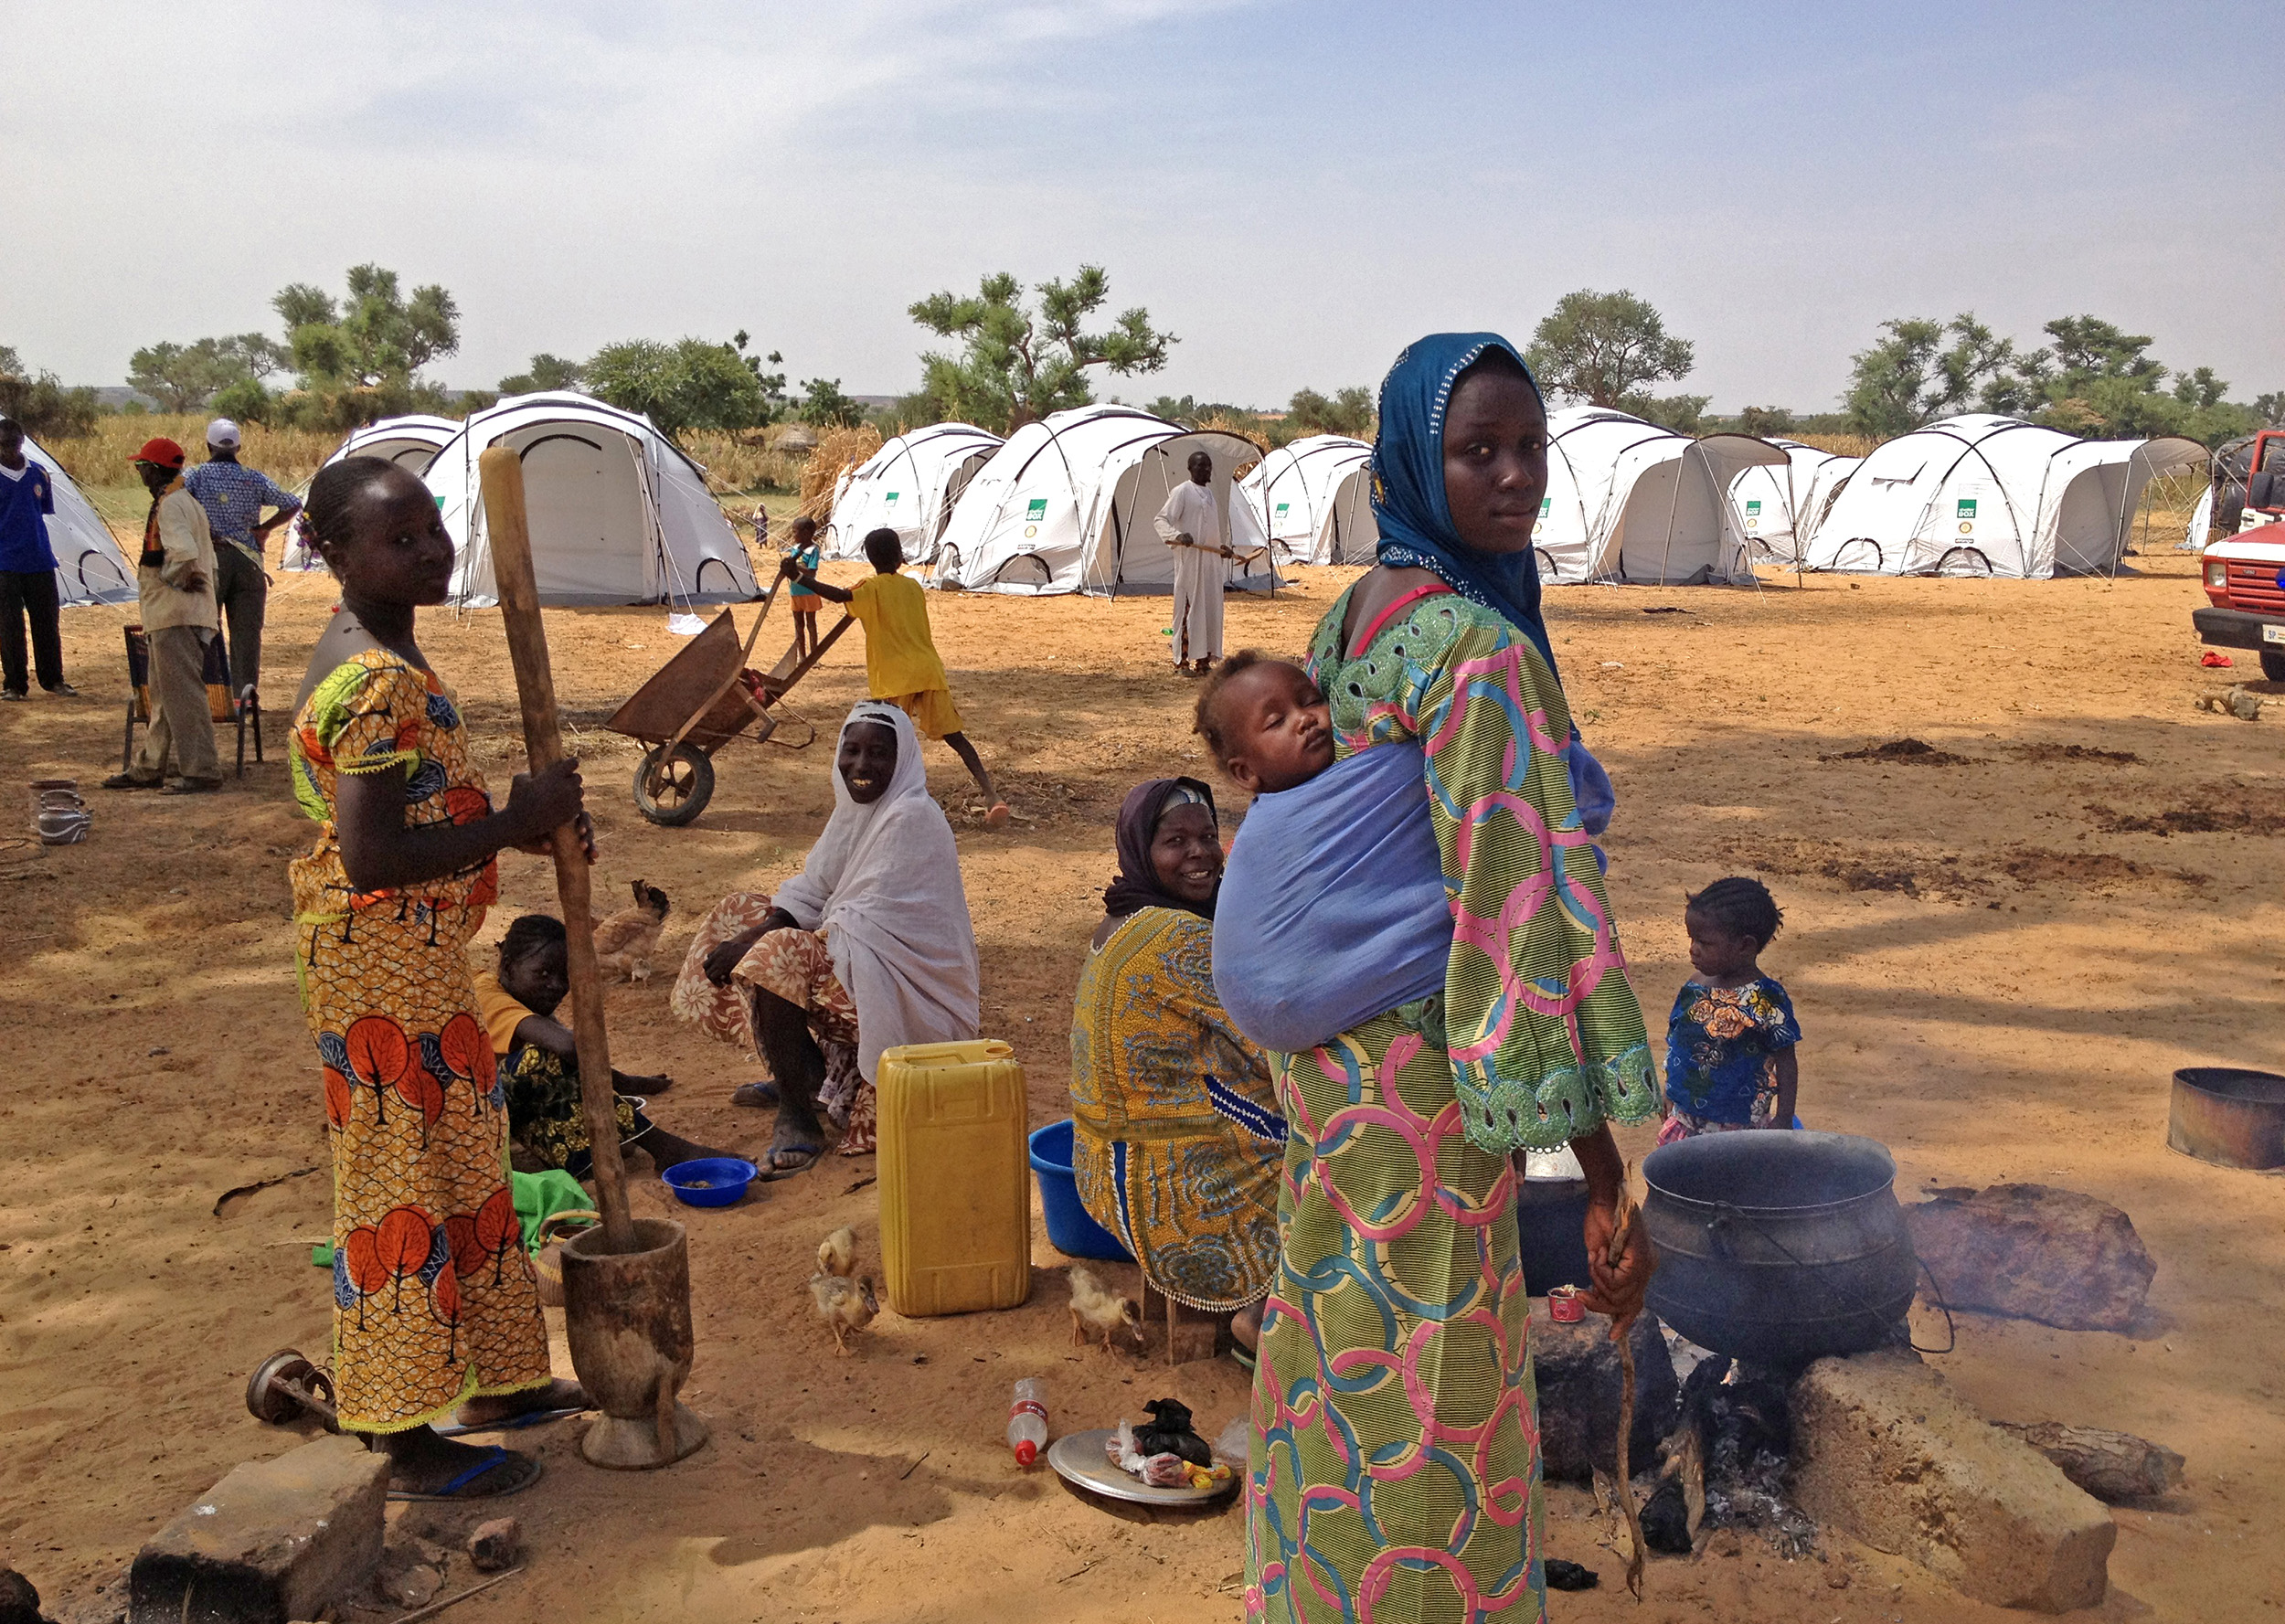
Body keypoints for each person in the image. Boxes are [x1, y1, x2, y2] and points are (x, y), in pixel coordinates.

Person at [1238, 335, 1660, 1624]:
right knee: (1438, 1390)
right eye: (1478, 449)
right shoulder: (1479, 653)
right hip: (1421, 1094)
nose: (1514, 476)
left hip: (1329, 1068)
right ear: (1418, 460)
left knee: (1330, 1341)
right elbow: (1515, 926)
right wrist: (1598, 1168)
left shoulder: (1357, 611)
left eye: (1530, 447)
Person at [288, 454, 591, 1499]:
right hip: (380, 976)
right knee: (399, 1193)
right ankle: (399, 1435)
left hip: (417, 968)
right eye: (397, 538)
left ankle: (500, 1382)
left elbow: (416, 814)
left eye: (432, 529)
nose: (428, 551)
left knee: (467, 1162)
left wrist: (506, 811)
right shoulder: (372, 679)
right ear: (333, 550)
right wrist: (514, 821)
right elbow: (371, 858)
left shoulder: (391, 653)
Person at [672, 703, 980, 1173]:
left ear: (902, 762)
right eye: (851, 751)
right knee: (741, 913)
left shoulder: (911, 817)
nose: (861, 765)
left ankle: (798, 1114)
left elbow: (852, 922)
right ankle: (798, 1072)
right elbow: (814, 889)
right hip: (859, 963)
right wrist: (752, 931)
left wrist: (759, 941)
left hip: (906, 993)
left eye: (878, 754)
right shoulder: (856, 813)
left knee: (776, 954)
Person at [1068, 778, 1284, 1355]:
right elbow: (1268, 1041)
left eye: (1208, 836)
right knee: (1331, 1133)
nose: (1199, 854)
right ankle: (1263, 1311)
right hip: (1166, 1193)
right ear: (1143, 848)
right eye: (1175, 841)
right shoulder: (1177, 937)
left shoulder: (1117, 922)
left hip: (1101, 1171)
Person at [476, 913, 743, 1177]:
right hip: (472, 1120)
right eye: (543, 973)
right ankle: (666, 1148)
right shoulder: (485, 994)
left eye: (565, 974)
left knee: (603, 1144)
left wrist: (624, 1083)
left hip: (500, 1112)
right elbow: (568, 1049)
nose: (556, 986)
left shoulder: (524, 999)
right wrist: (621, 1085)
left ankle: (588, 1157)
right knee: (544, 1056)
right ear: (509, 967)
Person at [783, 527, 1007, 825]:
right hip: (929, 672)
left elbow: (842, 596)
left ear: (868, 558)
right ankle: (992, 796)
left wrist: (798, 578)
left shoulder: (871, 588)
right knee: (955, 737)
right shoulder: (913, 588)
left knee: (886, 741)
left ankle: (887, 804)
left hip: (895, 678)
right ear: (901, 557)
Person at [102, 438, 221, 793]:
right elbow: (207, 559)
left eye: (142, 467)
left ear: (155, 470)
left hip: (175, 614)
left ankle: (201, 770)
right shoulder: (186, 502)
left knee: (183, 695)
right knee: (165, 697)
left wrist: (171, 581)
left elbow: (183, 553)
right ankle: (150, 766)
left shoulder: (169, 506)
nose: (139, 473)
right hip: (177, 614)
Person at [1658, 876, 1801, 1142]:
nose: (1693, 950)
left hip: (1738, 1131)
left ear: (1745, 946)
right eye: (1692, 939)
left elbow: (1786, 1061)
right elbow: (1678, 1041)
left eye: (1705, 943)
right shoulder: (1695, 985)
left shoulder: (1766, 998)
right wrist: (1669, 1090)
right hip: (1684, 1121)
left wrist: (1783, 1117)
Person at [185, 417, 301, 706]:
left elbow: (172, 501)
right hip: (249, 563)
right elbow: (291, 503)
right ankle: (244, 697)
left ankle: (212, 696)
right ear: (238, 447)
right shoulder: (255, 478)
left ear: (208, 445)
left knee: (206, 626)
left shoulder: (194, 476)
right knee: (247, 634)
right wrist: (264, 529)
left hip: (211, 559)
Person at [0, 417, 74, 701]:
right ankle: (15, 684)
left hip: (40, 560)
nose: (9, 451)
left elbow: (41, 511)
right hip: (5, 563)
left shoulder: (39, 474)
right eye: (3, 446)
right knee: (10, 627)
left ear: (22, 443)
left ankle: (53, 679)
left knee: (46, 623)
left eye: (14, 444)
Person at [1156, 449, 1234, 674]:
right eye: (1200, 466)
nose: (1205, 469)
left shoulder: (1210, 497)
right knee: (1188, 610)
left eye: (1208, 466)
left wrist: (1222, 549)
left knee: (1209, 612)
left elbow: (1210, 533)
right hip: (1190, 564)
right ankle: (1181, 662)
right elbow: (1161, 519)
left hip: (1210, 565)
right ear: (1190, 469)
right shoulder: (1182, 492)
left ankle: (1203, 662)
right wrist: (1177, 536)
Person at [781, 514, 823, 661]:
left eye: (795, 531)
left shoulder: (813, 550)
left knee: (811, 624)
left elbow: (812, 572)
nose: (793, 535)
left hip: (809, 592)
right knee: (798, 625)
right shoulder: (795, 549)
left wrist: (796, 566)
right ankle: (802, 656)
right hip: (795, 591)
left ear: (805, 533)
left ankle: (814, 656)